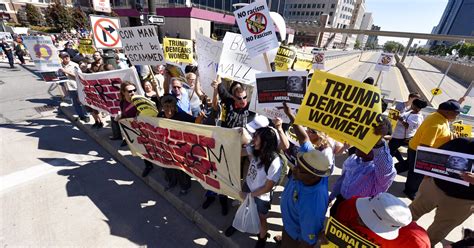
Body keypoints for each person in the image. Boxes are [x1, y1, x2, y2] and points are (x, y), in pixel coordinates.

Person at [277, 101, 334, 247]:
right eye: (297, 165)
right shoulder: (310, 158)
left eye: (301, 171)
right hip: (289, 226)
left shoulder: (314, 202)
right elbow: (304, 139)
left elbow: (307, 241)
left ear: (315, 176)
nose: (295, 170)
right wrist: (291, 115)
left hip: (294, 237)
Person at [409, 138, 474, 246]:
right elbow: (436, 157)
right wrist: (427, 175)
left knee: (437, 232)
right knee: (409, 214)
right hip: (434, 187)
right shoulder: (461, 142)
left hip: (462, 203)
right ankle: (391, 236)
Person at [225, 127, 282, 248]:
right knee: (242, 206)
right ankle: (237, 224)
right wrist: (237, 139)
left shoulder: (275, 162)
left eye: (256, 137)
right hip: (248, 186)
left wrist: (250, 195)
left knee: (261, 218)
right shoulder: (255, 148)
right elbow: (239, 152)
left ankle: (262, 239)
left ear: (265, 142)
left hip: (261, 195)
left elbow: (267, 188)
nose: (253, 139)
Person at [329, 120, 394, 216]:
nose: (359, 144)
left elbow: (385, 169)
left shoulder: (379, 170)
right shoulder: (352, 159)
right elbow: (342, 181)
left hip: (359, 212)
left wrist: (379, 142)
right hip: (340, 202)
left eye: (367, 142)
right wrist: (331, 197)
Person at [403, 100, 461, 200]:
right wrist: (426, 164)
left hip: (416, 148)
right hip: (419, 151)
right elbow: (425, 146)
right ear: (447, 111)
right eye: (456, 113)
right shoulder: (435, 124)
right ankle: (410, 191)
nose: (457, 116)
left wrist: (451, 136)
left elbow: (440, 134)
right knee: (417, 174)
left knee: (411, 168)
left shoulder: (441, 117)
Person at [334, 193, 430, 247]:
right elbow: (337, 228)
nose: (359, 218)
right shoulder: (351, 205)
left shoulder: (416, 241)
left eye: (366, 219)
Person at [159, 94, 205, 194]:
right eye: (166, 106)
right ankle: (172, 183)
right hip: (166, 148)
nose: (169, 109)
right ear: (163, 107)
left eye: (171, 106)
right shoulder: (160, 116)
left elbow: (195, 122)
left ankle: (185, 187)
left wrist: (201, 116)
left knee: (181, 169)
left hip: (179, 150)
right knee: (169, 168)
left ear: (175, 107)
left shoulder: (181, 116)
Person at [390, 98, 427, 172]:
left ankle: (392, 167)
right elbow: (403, 116)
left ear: (415, 105)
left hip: (402, 137)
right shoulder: (411, 112)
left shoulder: (417, 117)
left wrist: (400, 119)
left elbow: (408, 126)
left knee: (390, 150)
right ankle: (401, 163)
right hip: (397, 134)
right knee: (392, 149)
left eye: (412, 104)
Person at [59, 52, 90, 122]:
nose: (66, 58)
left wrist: (66, 72)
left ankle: (86, 115)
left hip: (76, 86)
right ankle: (80, 115)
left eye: (67, 56)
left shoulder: (74, 65)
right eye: (64, 57)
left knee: (82, 101)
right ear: (61, 58)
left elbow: (79, 76)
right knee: (75, 103)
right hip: (69, 87)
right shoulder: (60, 66)